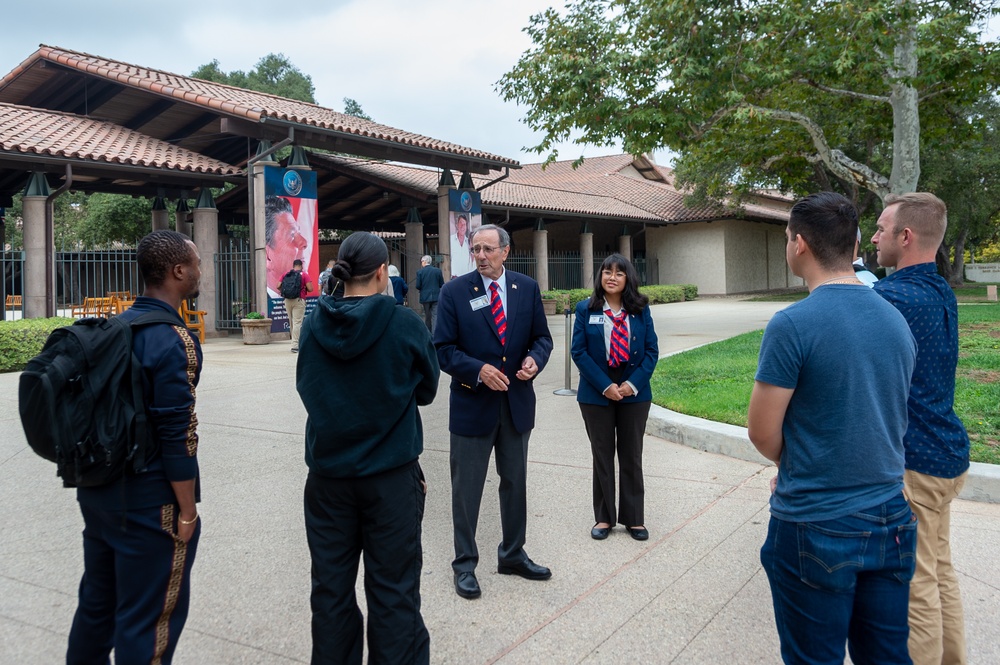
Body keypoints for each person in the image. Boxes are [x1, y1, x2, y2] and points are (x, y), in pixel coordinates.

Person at [747, 192, 917, 664]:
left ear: (799, 244)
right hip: (892, 515)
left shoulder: (792, 325)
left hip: (815, 523)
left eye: (786, 237)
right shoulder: (894, 317)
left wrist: (799, 459)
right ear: (858, 242)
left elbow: (762, 431)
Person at [296, 232, 439, 665]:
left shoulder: (312, 321)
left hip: (327, 480)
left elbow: (307, 385)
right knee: (393, 592)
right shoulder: (405, 323)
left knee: (330, 591)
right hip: (390, 479)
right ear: (382, 272)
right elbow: (429, 389)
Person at [67, 230, 203, 664]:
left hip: (98, 492)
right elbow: (177, 432)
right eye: (197, 263)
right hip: (151, 504)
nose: (201, 270)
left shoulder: (111, 329)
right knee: (149, 622)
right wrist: (187, 510)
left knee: (97, 607)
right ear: (179, 271)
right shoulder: (174, 340)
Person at [872, 192, 971, 665]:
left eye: (880, 228)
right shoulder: (939, 289)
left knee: (915, 586)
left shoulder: (892, 298)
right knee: (939, 571)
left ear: (905, 236)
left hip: (918, 463)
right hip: (946, 454)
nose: (873, 237)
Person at [434, 223, 553, 600]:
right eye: (476, 249)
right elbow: (444, 349)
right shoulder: (454, 292)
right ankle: (464, 564)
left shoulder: (526, 288)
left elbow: (542, 338)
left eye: (488, 249)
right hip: (473, 406)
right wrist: (478, 370)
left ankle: (513, 554)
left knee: (515, 484)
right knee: (466, 490)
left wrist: (535, 360)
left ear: (506, 251)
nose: (481, 256)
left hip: (516, 405)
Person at [571, 254, 658, 541]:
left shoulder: (641, 310)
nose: (611, 277)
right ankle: (604, 517)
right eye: (607, 272)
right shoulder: (586, 309)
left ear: (628, 279)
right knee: (602, 456)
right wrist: (606, 386)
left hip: (634, 393)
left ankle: (634, 519)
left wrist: (631, 385)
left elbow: (651, 352)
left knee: (632, 455)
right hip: (597, 394)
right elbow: (579, 352)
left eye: (619, 273)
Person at [265, 195, 308, 297]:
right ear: (267, 256)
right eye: (292, 235)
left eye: (299, 232)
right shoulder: (262, 305)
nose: (304, 242)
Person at [284, 258, 313, 353]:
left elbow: (278, 285)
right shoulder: (304, 275)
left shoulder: (286, 274)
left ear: (293, 266)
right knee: (297, 322)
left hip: (287, 300)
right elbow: (310, 288)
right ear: (301, 266)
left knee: (291, 322)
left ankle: (294, 341)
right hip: (299, 300)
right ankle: (295, 345)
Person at [415, 255, 443, 333]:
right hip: (436, 296)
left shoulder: (420, 272)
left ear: (424, 261)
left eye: (421, 261)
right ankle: (435, 333)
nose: (421, 263)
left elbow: (418, 285)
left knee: (427, 316)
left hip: (425, 297)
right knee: (435, 316)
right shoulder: (438, 271)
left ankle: (428, 333)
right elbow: (441, 284)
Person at [449, 213, 476, 277]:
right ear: (456, 225)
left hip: (466, 278)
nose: (462, 226)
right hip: (453, 278)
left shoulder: (468, 243)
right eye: (460, 223)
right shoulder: (450, 240)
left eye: (464, 224)